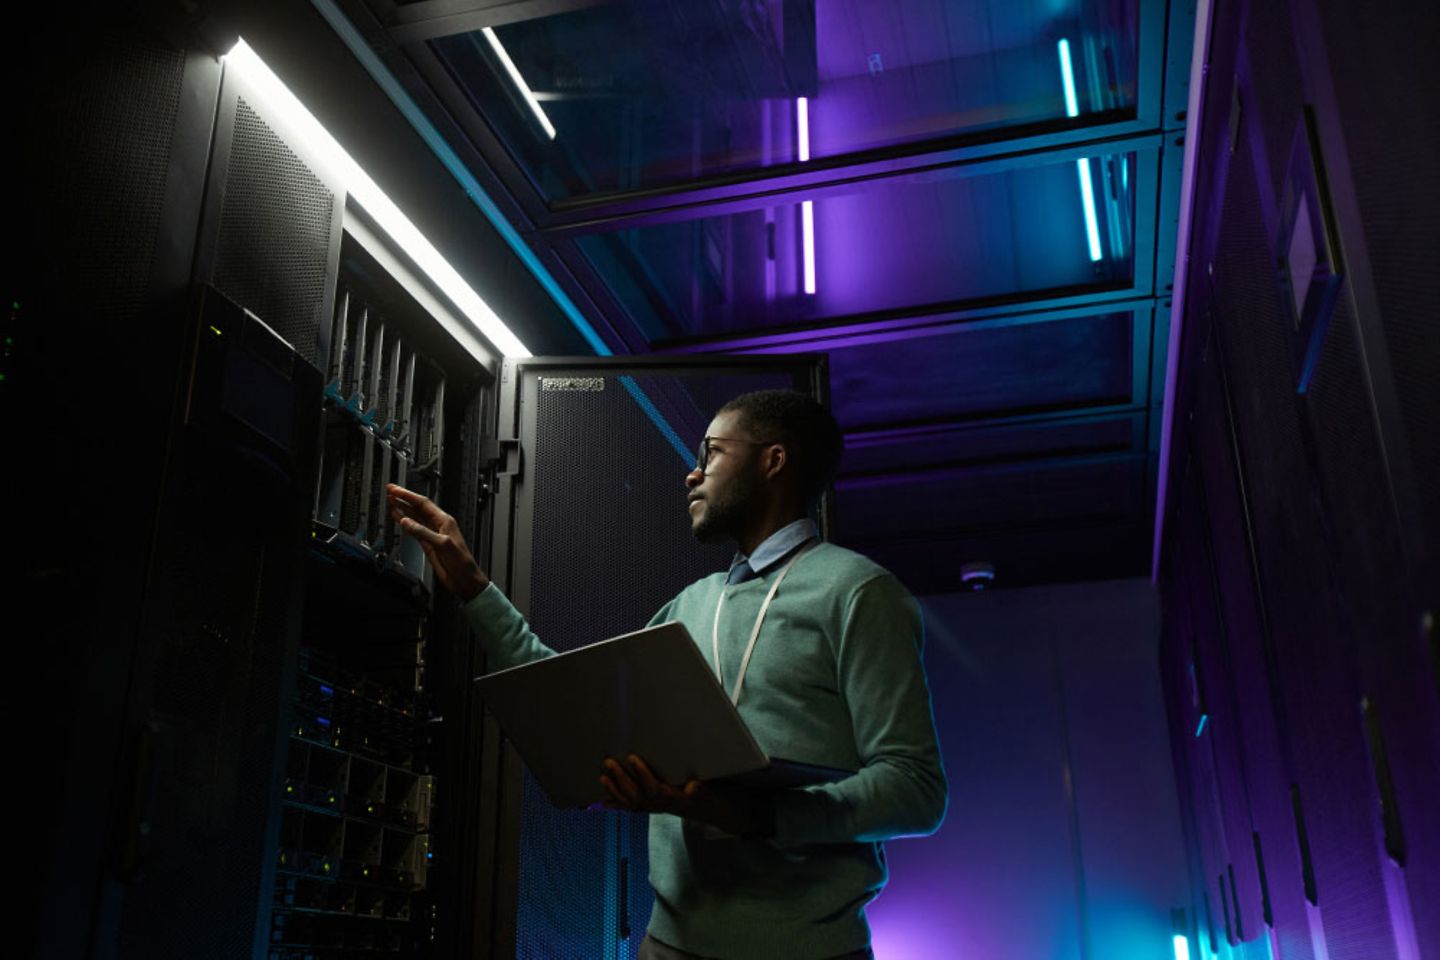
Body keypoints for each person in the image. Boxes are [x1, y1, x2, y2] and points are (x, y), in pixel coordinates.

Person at [387, 389, 946, 960]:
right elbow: (573, 705)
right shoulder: (693, 604)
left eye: (711, 453)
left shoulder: (858, 592)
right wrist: (474, 588)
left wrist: (753, 816)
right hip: (668, 947)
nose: (691, 474)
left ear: (773, 461)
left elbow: (915, 790)